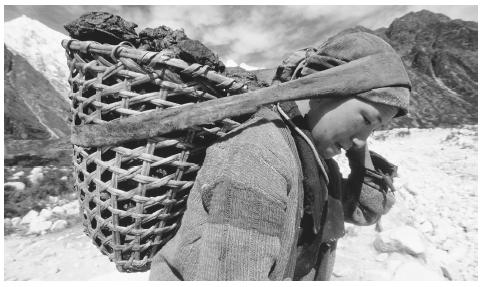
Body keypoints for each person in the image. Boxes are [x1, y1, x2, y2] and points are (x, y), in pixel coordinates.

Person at [149, 31, 411, 281]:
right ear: (327, 90)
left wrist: (358, 144)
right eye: (365, 118)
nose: (362, 139)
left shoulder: (316, 160)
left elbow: (366, 210)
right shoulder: (258, 155)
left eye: (374, 129)